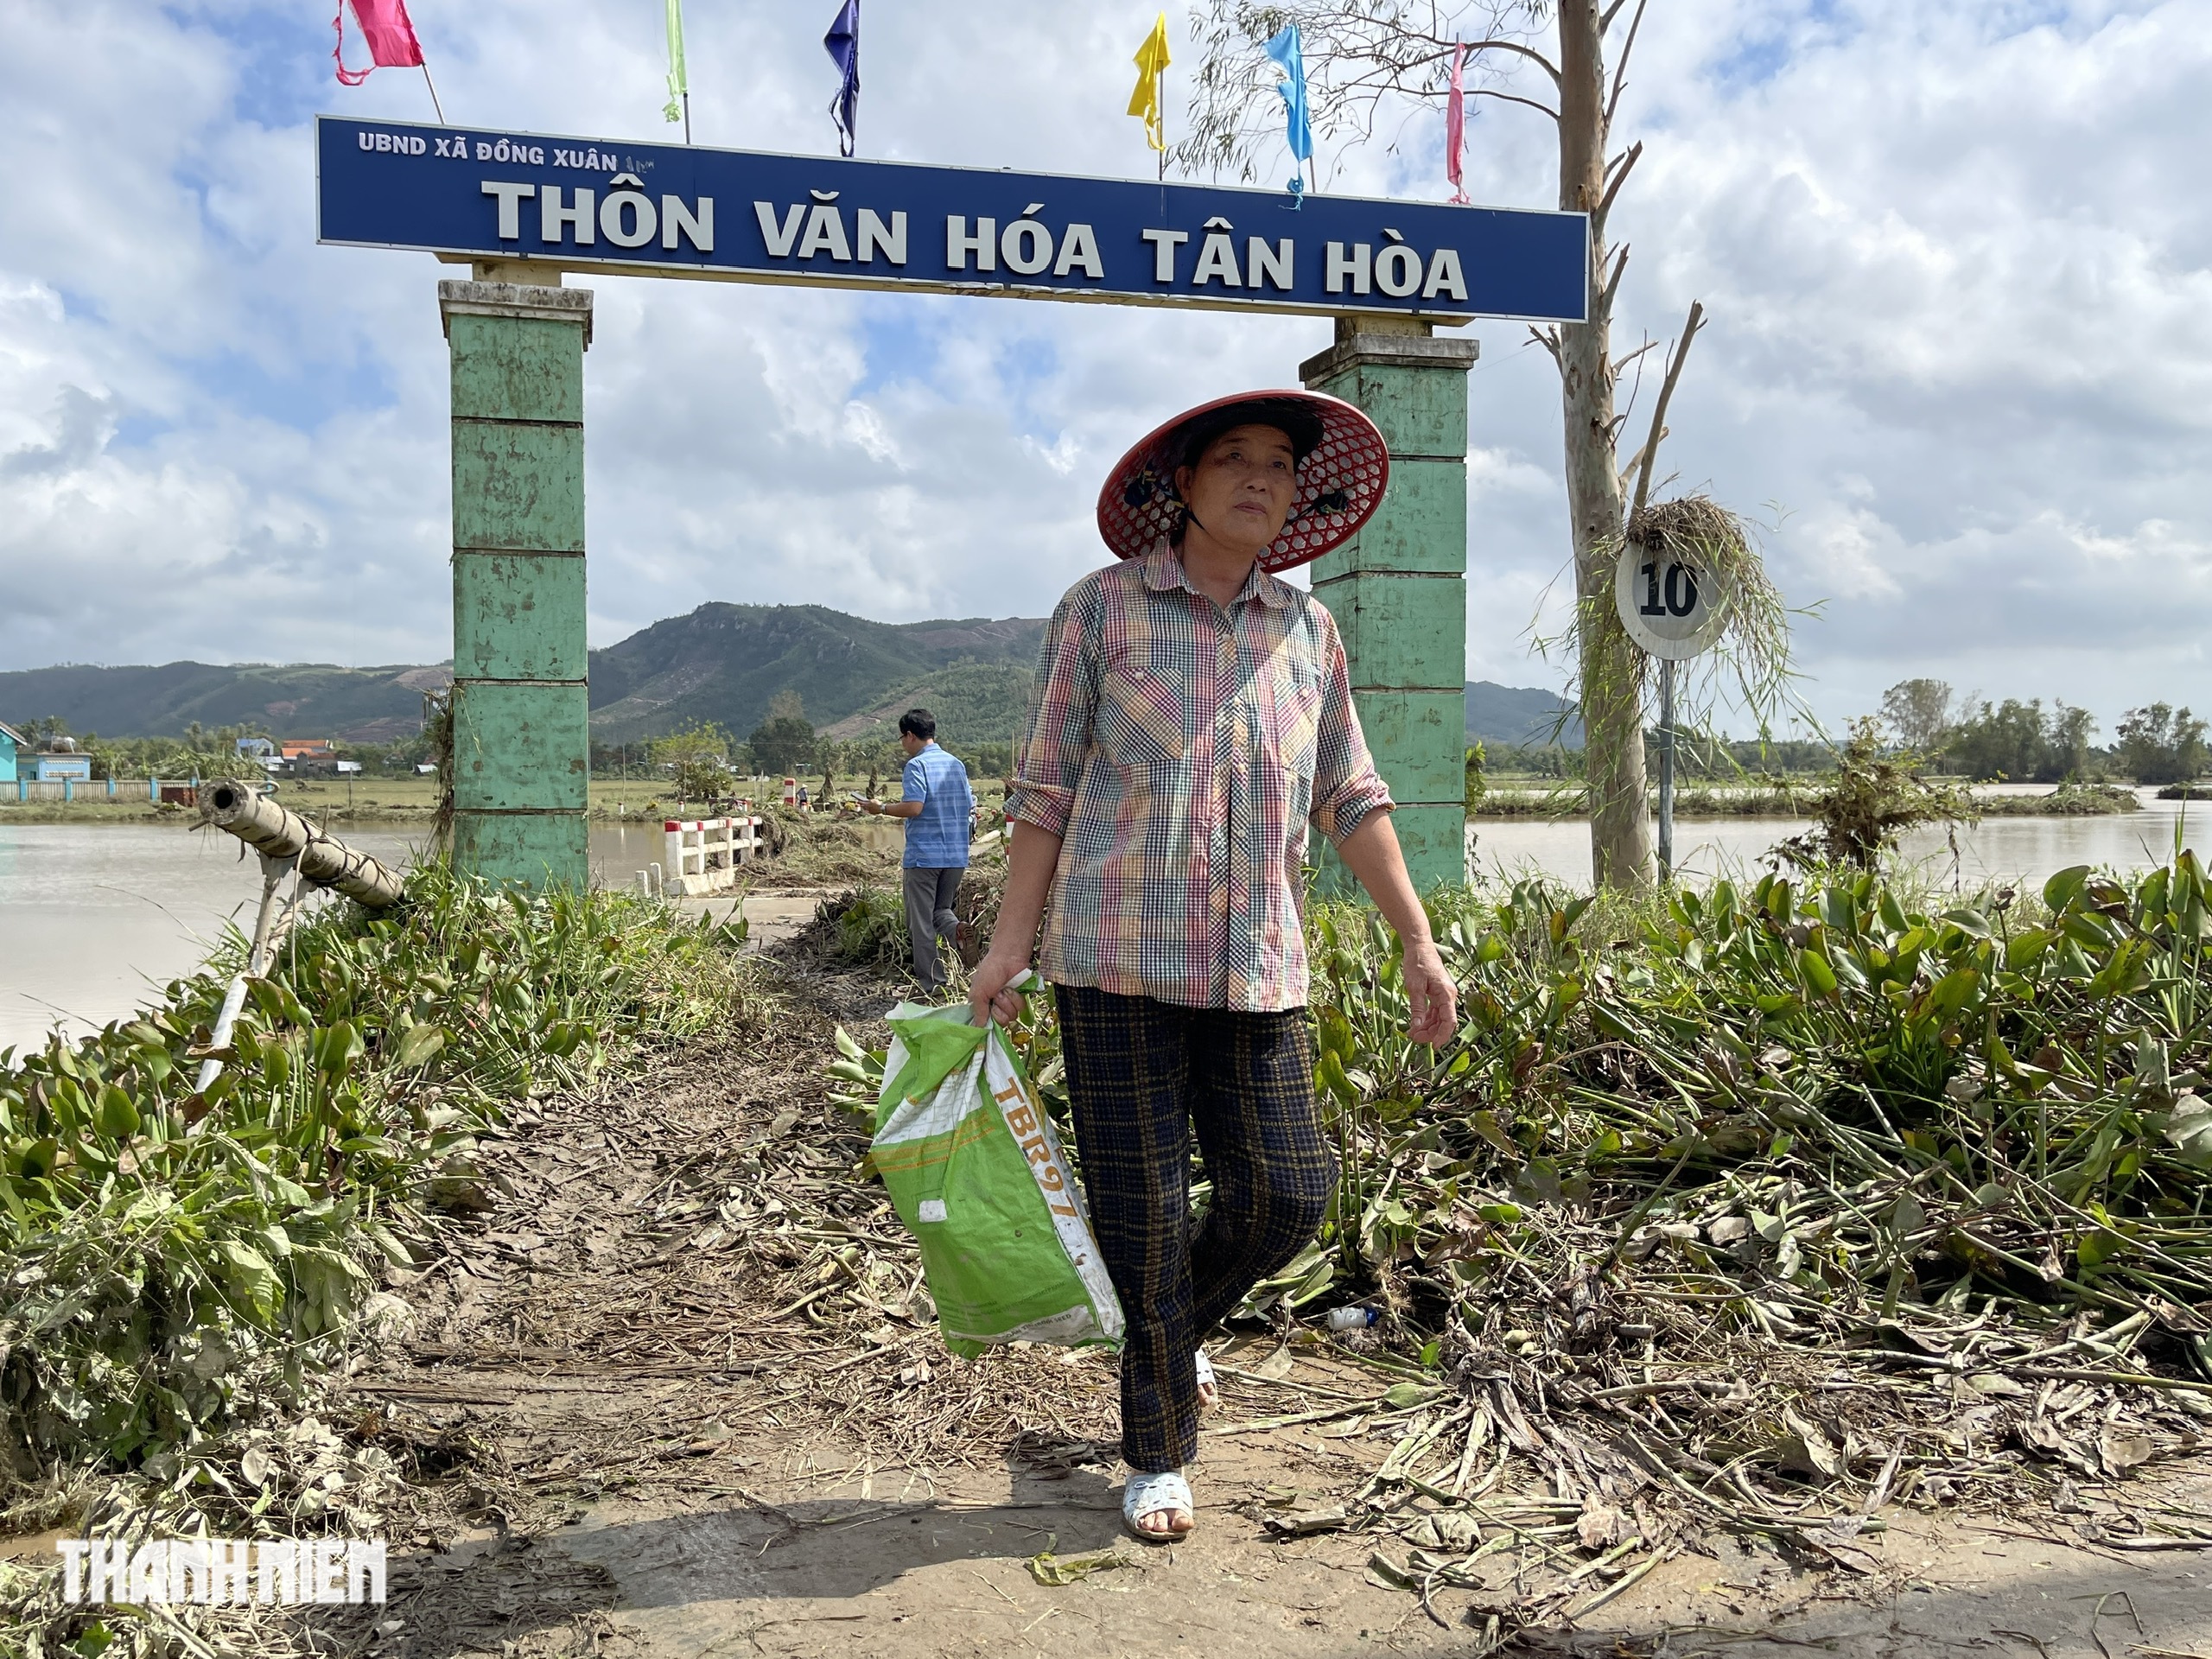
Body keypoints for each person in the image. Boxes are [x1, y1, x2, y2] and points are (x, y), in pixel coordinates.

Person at [969, 391, 1459, 1545]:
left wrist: (1417, 939)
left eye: (1279, 465)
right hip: (1113, 963)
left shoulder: (1311, 637)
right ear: (1180, 489)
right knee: (1139, 1216)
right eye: (1231, 459)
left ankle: (1172, 1327)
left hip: (1255, 969)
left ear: (1298, 496)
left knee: (1288, 1191)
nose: (1258, 477)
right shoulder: (1100, 615)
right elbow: (1043, 792)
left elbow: (1352, 795)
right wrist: (1004, 948)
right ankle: (1158, 1449)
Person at [862, 709, 975, 995]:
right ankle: (958, 931)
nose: (903, 743)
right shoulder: (956, 764)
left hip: (924, 856)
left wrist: (881, 809)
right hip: (956, 856)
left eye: (903, 738)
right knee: (941, 910)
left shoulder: (916, 766)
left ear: (911, 736)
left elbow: (914, 807)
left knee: (920, 923)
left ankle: (933, 985)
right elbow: (968, 806)